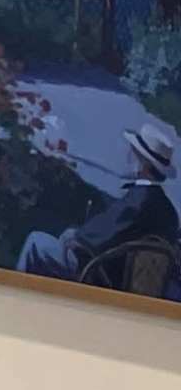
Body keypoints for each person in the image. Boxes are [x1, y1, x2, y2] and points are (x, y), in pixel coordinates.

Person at [19, 119, 180, 281]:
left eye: (134, 152)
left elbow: (102, 235)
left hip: (103, 275)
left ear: (143, 164)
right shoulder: (170, 212)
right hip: (135, 282)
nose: (129, 156)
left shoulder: (139, 199)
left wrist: (75, 235)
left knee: (36, 242)